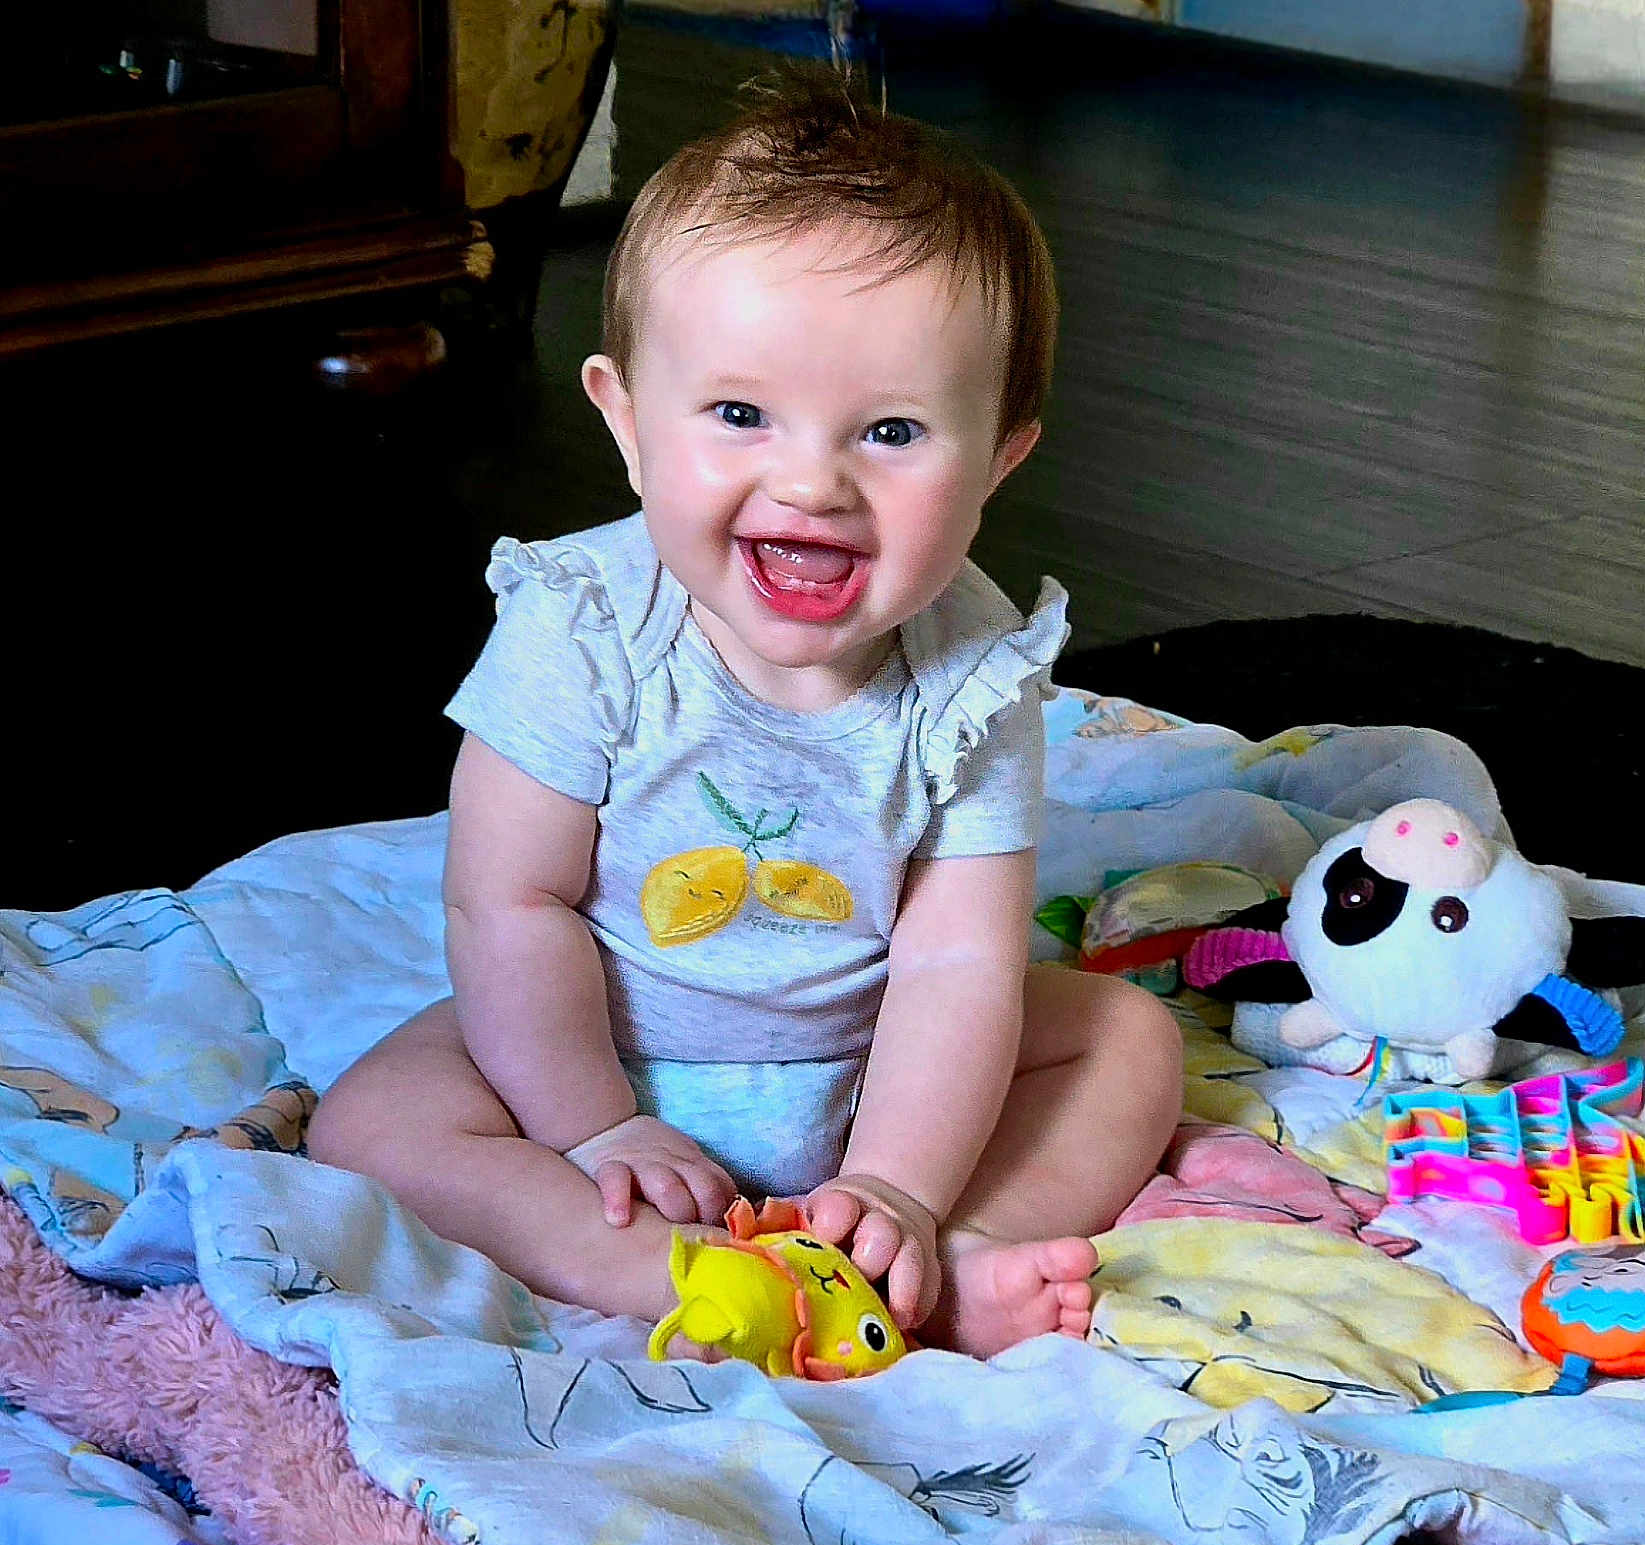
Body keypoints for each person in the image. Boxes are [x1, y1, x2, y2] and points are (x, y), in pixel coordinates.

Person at [309, 70, 1181, 1368]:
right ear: (625, 422)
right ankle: (640, 1262)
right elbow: (511, 905)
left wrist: (899, 1183)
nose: (811, 480)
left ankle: (913, 1266)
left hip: (877, 1070)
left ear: (997, 457)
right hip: (604, 1047)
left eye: (889, 431)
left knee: (1125, 1042)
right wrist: (589, 1125)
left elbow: (955, 966)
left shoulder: (976, 672)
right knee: (373, 1124)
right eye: (736, 415)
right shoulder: (582, 624)